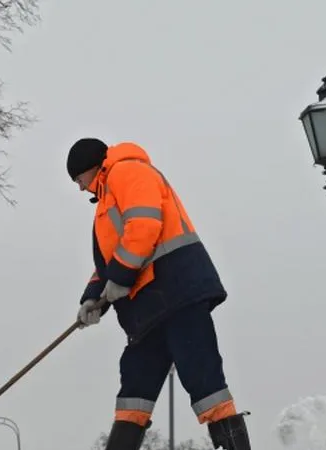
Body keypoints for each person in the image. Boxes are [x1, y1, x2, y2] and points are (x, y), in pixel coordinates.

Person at [66, 137, 253, 450]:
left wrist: (122, 276)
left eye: (78, 179)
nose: (80, 188)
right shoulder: (105, 204)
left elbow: (144, 226)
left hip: (177, 293)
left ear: (89, 168)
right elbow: (107, 263)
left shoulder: (127, 172)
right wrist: (91, 298)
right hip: (147, 308)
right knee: (135, 386)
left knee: (202, 377)